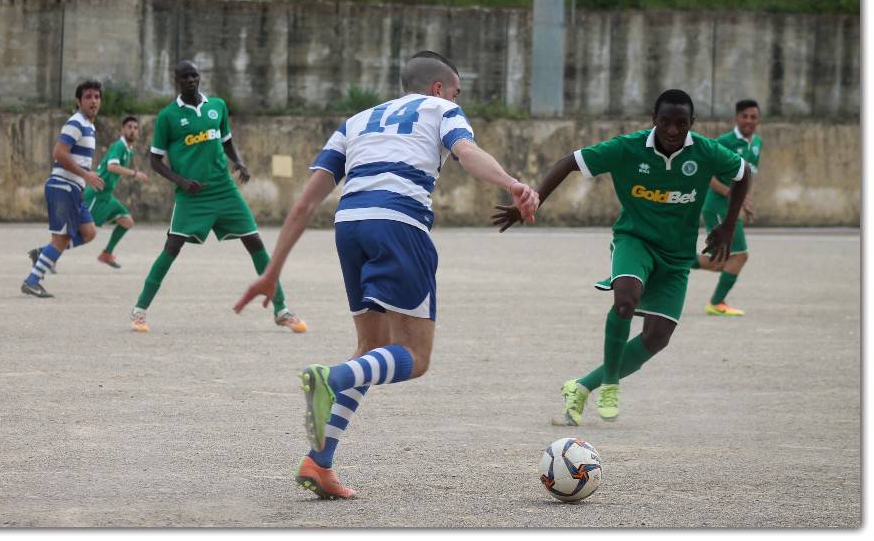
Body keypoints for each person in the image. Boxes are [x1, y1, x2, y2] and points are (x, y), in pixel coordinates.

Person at [234, 51, 538, 499]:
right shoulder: (441, 110)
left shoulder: (355, 121)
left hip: (349, 225)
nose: (458, 99)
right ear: (439, 89)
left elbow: (304, 203)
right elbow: (467, 152)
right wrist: (513, 183)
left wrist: (271, 273)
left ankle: (319, 463)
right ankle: (329, 378)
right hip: (398, 224)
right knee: (414, 357)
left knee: (371, 350)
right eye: (457, 91)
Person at [493, 89, 750, 426]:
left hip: (676, 254)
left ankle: (582, 387)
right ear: (653, 120)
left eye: (681, 124)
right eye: (666, 122)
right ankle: (612, 383)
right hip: (634, 239)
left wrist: (729, 226)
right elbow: (569, 162)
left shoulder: (704, 151)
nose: (673, 131)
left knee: (657, 337)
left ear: (692, 124)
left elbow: (743, 173)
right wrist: (534, 199)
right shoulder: (628, 148)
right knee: (626, 300)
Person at [130, 60, 307, 334]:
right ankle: (139, 310)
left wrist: (238, 161)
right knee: (172, 247)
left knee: (255, 241)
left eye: (195, 75)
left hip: (224, 190)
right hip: (193, 195)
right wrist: (181, 181)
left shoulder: (217, 107)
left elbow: (225, 140)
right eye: (185, 76)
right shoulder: (168, 117)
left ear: (200, 78)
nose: (191, 80)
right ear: (176, 79)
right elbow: (154, 160)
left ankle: (281, 309)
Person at [22, 80, 105, 298]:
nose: (93, 101)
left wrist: (85, 176)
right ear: (78, 101)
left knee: (88, 233)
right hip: (63, 187)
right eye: (88, 97)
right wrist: (86, 174)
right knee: (60, 239)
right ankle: (32, 281)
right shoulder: (76, 122)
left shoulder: (89, 125)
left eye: (96, 96)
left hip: (74, 189)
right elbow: (59, 153)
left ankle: (43, 254)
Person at [691, 99, 763, 316]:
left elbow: (747, 175)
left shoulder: (757, 143)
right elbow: (707, 175)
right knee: (739, 256)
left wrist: (745, 200)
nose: (749, 121)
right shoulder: (725, 141)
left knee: (718, 262)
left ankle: (669, 260)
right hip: (717, 205)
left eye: (753, 117)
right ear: (736, 118)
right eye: (745, 116)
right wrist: (732, 194)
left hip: (730, 206)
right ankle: (716, 302)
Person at [82, 115, 150, 269]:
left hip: (107, 196)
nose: (132, 130)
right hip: (97, 195)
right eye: (129, 127)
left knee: (127, 221)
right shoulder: (119, 146)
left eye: (135, 128)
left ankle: (107, 254)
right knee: (83, 233)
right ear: (122, 130)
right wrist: (135, 173)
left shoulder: (128, 149)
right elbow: (111, 167)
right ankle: (47, 254)